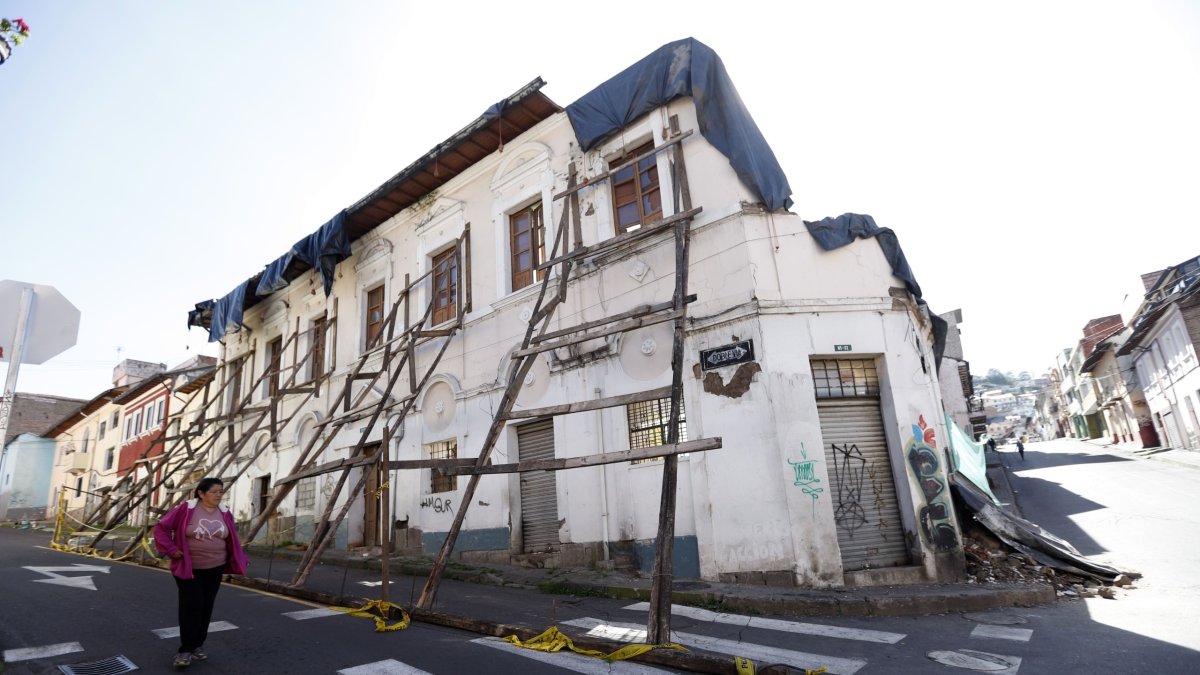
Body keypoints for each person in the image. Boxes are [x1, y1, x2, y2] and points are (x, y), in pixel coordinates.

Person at [154, 477, 248, 668]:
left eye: (221, 491)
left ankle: (198, 645)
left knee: (206, 605)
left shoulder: (225, 512)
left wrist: (237, 557)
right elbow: (161, 528)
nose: (218, 495)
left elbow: (231, 537)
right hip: (189, 567)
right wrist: (171, 550)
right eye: (214, 492)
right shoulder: (186, 509)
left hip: (216, 566)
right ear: (201, 493)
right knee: (193, 604)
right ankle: (185, 650)